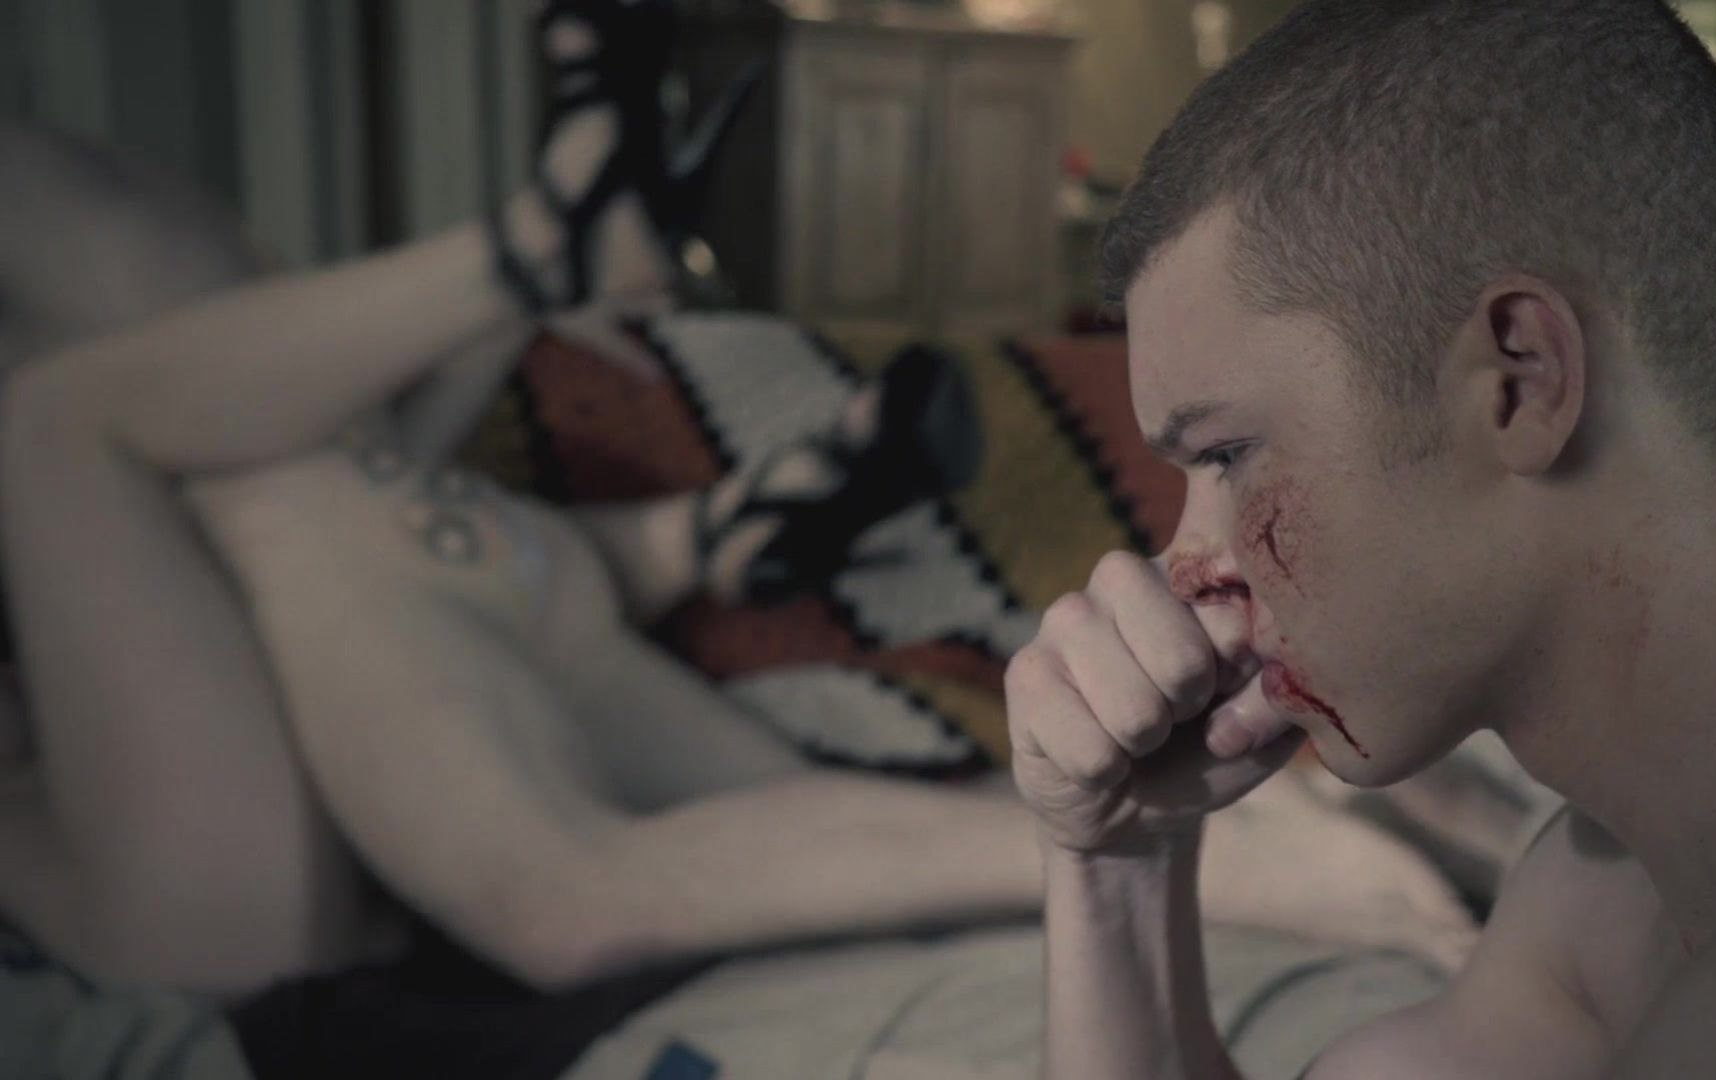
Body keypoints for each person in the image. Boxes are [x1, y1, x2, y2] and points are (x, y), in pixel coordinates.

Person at [0, 4, 1480, 1001]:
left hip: (433, 633)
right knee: (165, 448)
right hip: (327, 761)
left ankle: (598, 345)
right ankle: (604, 361)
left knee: (228, 466)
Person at [1005, 0, 1716, 1077]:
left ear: (1519, 381)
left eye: (1229, 453)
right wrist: (1118, 861)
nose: (1190, 573)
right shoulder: (1607, 894)